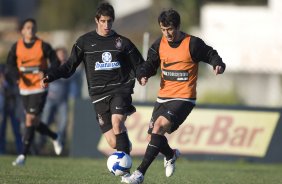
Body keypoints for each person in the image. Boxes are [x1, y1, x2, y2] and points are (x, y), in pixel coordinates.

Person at [41, 2, 144, 178]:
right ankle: (124, 146)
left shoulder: (122, 42)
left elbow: (140, 63)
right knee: (113, 142)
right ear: (96, 20)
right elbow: (69, 67)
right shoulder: (84, 42)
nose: (106, 25)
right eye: (103, 21)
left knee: (117, 122)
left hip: (120, 90)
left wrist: (143, 75)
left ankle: (125, 174)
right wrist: (51, 75)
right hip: (98, 95)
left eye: (110, 21)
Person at [123, 9, 226, 184]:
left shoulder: (192, 43)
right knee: (153, 138)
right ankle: (171, 155)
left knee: (158, 127)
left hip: (184, 98)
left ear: (178, 26)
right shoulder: (159, 44)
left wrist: (218, 64)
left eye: (170, 29)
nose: (167, 33)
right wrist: (143, 74)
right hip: (163, 97)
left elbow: (210, 54)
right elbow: (150, 64)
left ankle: (139, 174)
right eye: (163, 29)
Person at [6, 18, 63, 166]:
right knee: (35, 122)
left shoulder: (43, 46)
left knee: (29, 119)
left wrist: (45, 72)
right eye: (27, 27)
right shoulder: (16, 47)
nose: (30, 30)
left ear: (36, 30)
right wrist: (17, 77)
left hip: (39, 88)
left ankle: (22, 156)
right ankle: (54, 136)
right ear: (22, 31)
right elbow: (10, 66)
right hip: (24, 89)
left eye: (33, 27)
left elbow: (56, 63)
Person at [38, 48, 70, 152]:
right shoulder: (51, 66)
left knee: (63, 122)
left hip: (62, 101)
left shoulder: (69, 67)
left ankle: (59, 142)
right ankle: (40, 145)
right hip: (50, 99)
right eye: (59, 54)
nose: (61, 56)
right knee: (45, 121)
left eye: (63, 54)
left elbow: (70, 79)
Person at [0, 64, 23, 155]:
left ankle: (21, 152)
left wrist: (5, 84)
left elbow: (16, 91)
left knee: (17, 131)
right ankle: (2, 151)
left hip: (13, 108)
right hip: (2, 110)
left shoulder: (11, 80)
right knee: (2, 130)